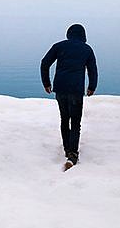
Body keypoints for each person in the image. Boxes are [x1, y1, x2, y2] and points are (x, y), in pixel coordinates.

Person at [40, 23, 98, 165]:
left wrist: (46, 83)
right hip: (76, 90)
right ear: (83, 35)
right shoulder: (87, 49)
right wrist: (91, 86)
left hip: (60, 89)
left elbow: (44, 63)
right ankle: (72, 154)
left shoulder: (59, 46)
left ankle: (67, 148)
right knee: (75, 122)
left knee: (64, 119)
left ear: (69, 34)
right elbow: (92, 70)